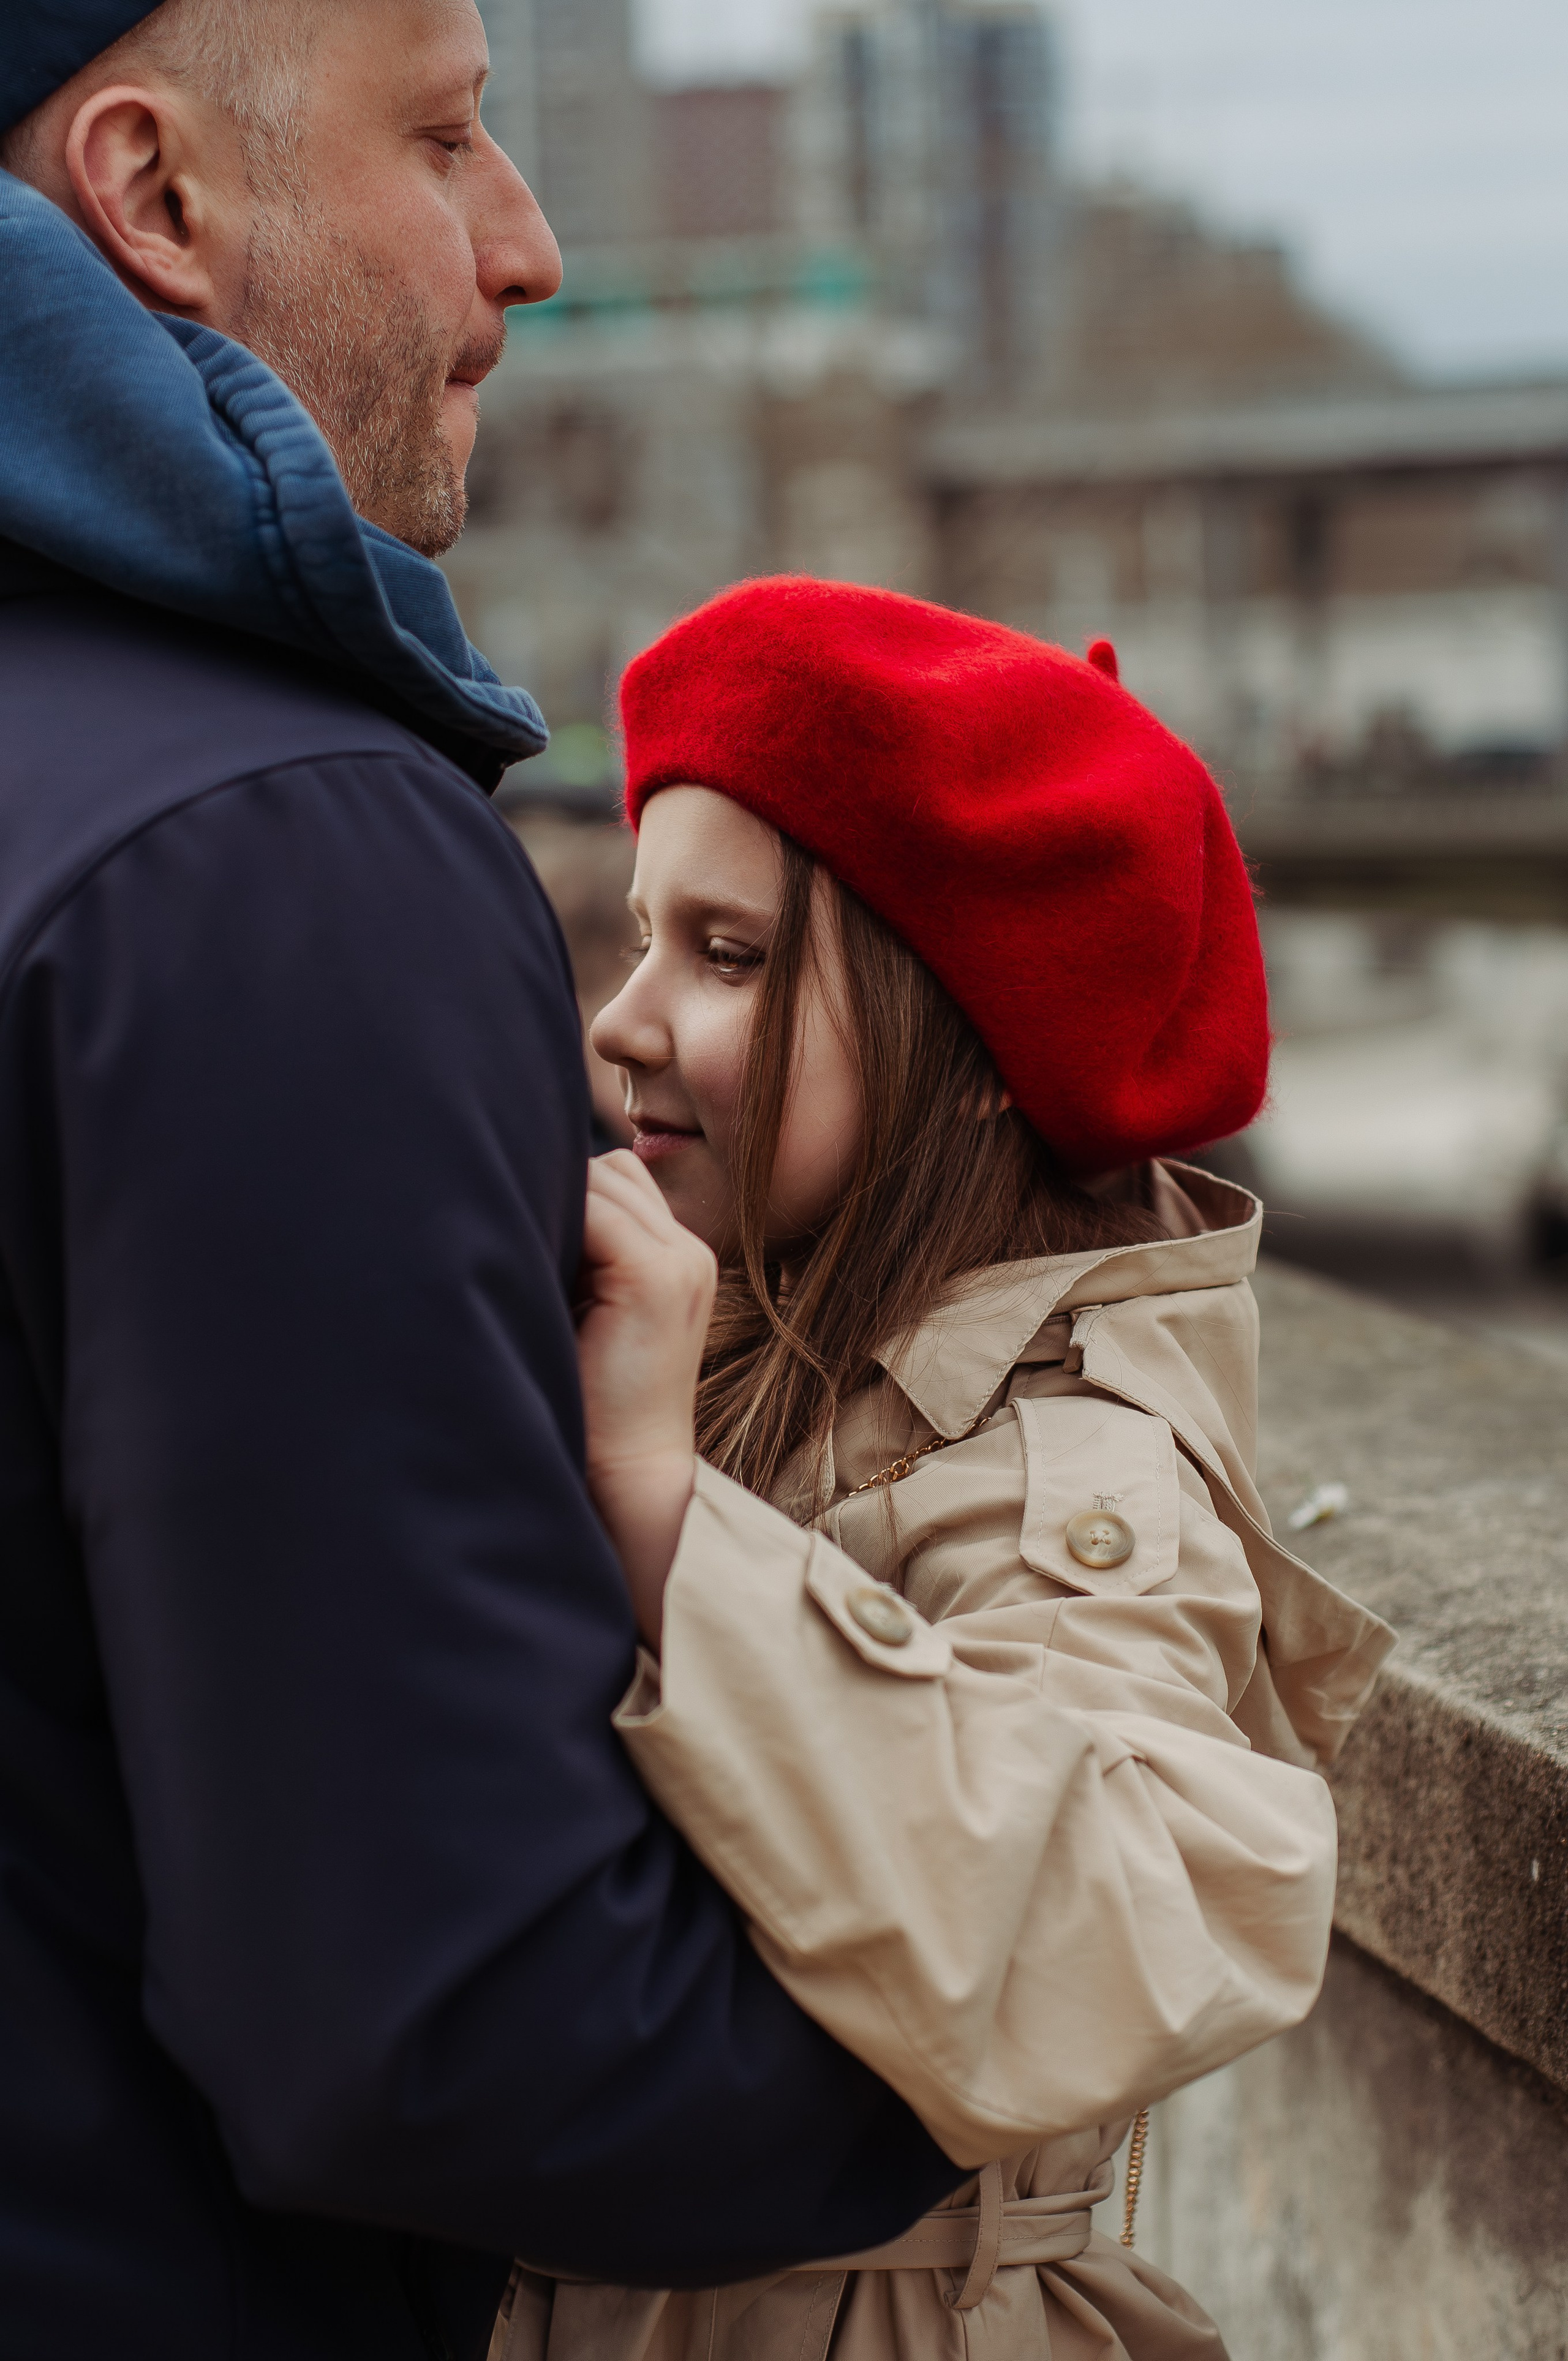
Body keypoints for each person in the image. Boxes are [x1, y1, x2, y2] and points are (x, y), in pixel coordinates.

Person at [0, 12, 962, 2357]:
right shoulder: (270, 853)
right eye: (444, 138)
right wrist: (1025, 2000)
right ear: (154, 198)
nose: (526, 245)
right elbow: (442, 2021)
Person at [526, 578, 1399, 2361]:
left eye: (731, 955)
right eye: (639, 938)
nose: (624, 1018)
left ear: (974, 1051)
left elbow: (1137, 1914)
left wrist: (670, 1528)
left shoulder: (1070, 1456)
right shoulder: (725, 1338)